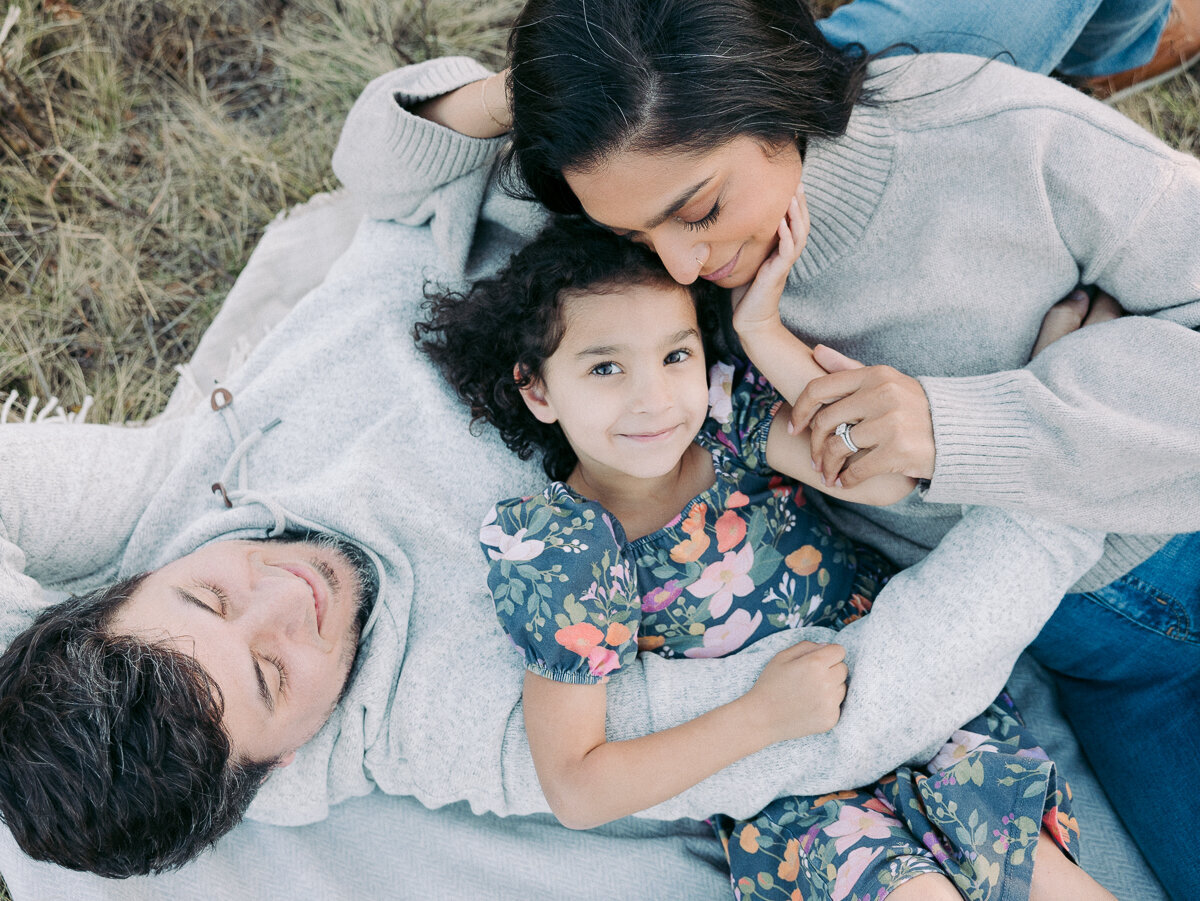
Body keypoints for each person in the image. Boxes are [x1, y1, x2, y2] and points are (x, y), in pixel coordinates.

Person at [0, 0, 1178, 887]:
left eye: (209, 596)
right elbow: (852, 708)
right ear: (274, 767)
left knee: (934, 80)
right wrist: (1033, 459)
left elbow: (383, 166)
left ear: (130, 582)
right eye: (269, 676)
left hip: (655, 163)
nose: (281, 600)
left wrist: (584, 97)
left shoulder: (170, 502)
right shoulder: (447, 713)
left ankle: (1136, 23)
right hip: (1048, 530)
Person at [417, 211, 1115, 900]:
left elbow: (889, 476)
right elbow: (577, 785)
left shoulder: (726, 420)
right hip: (794, 793)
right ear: (537, 388)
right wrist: (762, 716)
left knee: (1050, 884)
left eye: (675, 354)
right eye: (605, 367)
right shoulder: (565, 544)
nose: (654, 399)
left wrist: (760, 329)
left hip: (919, 703)